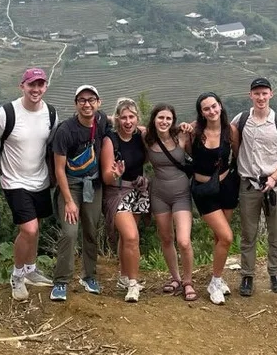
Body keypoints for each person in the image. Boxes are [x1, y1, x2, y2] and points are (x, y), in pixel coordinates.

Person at [0, 67, 56, 302]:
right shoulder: (5, 114)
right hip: (13, 180)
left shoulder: (51, 113)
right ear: (22, 86)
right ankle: (17, 275)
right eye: (31, 85)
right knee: (29, 229)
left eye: (40, 85)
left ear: (45, 86)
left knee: (35, 227)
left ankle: (31, 269)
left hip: (41, 179)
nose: (36, 89)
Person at [233, 77, 277, 296]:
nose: (260, 97)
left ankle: (275, 272)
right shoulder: (241, 120)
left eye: (264, 93)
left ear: (271, 94)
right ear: (250, 95)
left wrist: (274, 177)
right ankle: (247, 275)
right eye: (256, 93)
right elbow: (227, 138)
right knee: (248, 233)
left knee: (274, 232)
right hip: (248, 185)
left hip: (274, 186)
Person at [49, 84, 110, 302]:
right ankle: (61, 281)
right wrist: (68, 201)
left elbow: (117, 124)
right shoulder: (66, 130)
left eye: (91, 99)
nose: (87, 104)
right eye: (82, 100)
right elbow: (58, 169)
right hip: (71, 186)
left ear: (98, 103)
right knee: (70, 232)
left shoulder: (101, 120)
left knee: (91, 231)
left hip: (93, 185)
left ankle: (89, 276)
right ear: (76, 104)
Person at [190, 92, 241, 305]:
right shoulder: (194, 132)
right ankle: (215, 281)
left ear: (220, 106)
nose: (211, 111)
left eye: (214, 106)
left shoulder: (231, 131)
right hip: (203, 190)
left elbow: (236, 155)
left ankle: (217, 277)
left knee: (220, 238)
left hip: (226, 185)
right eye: (206, 108)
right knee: (227, 236)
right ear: (201, 113)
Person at [145, 103, 198, 302]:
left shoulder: (181, 137)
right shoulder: (147, 138)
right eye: (160, 118)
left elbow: (198, 152)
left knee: (183, 241)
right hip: (159, 195)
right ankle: (175, 278)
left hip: (181, 194)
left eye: (168, 118)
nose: (164, 122)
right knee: (166, 238)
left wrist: (189, 127)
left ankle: (188, 281)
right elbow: (125, 123)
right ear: (154, 119)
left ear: (173, 121)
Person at [100, 98, 151, 303]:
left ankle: (123, 276)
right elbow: (106, 176)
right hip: (116, 190)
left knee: (126, 238)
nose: (128, 121)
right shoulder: (110, 140)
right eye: (123, 117)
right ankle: (132, 283)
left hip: (138, 189)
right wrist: (116, 173)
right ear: (117, 118)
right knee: (131, 237)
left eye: (131, 117)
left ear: (137, 118)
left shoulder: (141, 135)